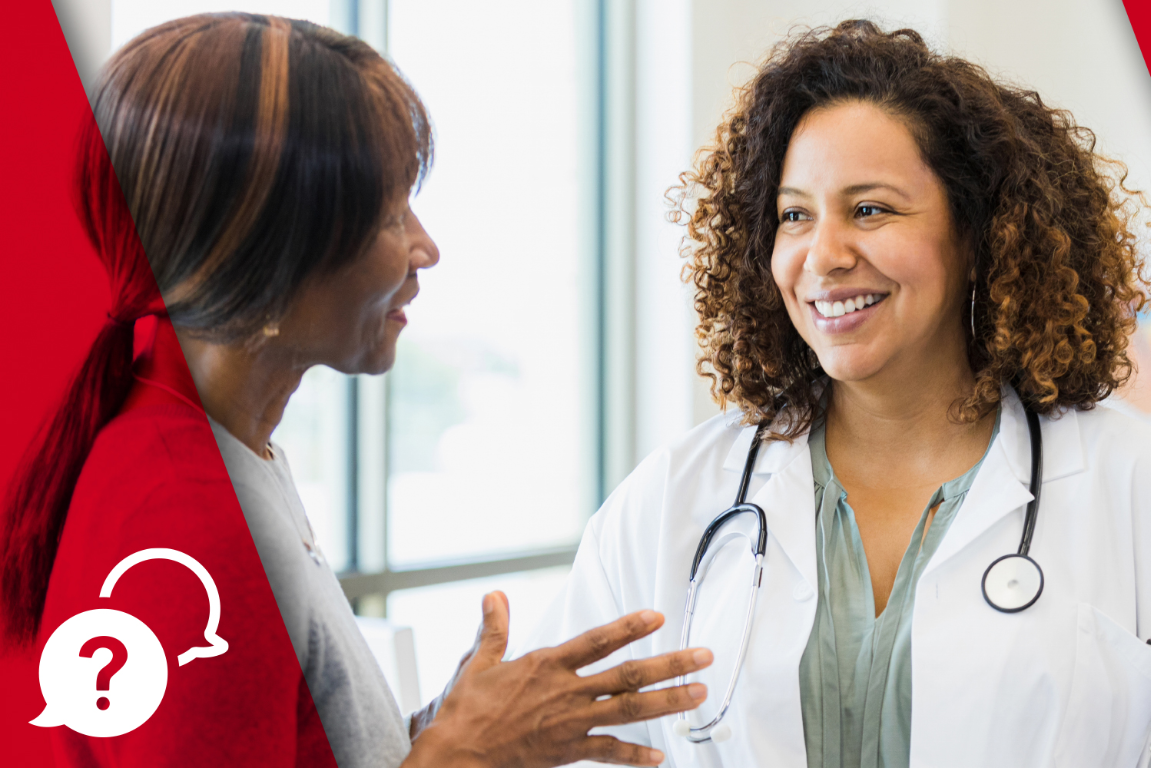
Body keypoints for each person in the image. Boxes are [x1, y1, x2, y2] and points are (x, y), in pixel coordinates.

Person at [521, 20, 1151, 767]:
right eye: (794, 215)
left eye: (871, 209)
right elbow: (569, 744)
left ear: (978, 233)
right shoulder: (675, 500)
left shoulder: (1144, 491)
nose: (824, 254)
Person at [0, 13, 709, 768]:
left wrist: (455, 726)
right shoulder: (191, 532)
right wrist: (468, 756)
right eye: (388, 214)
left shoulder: (225, 450)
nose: (425, 248)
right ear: (270, 251)